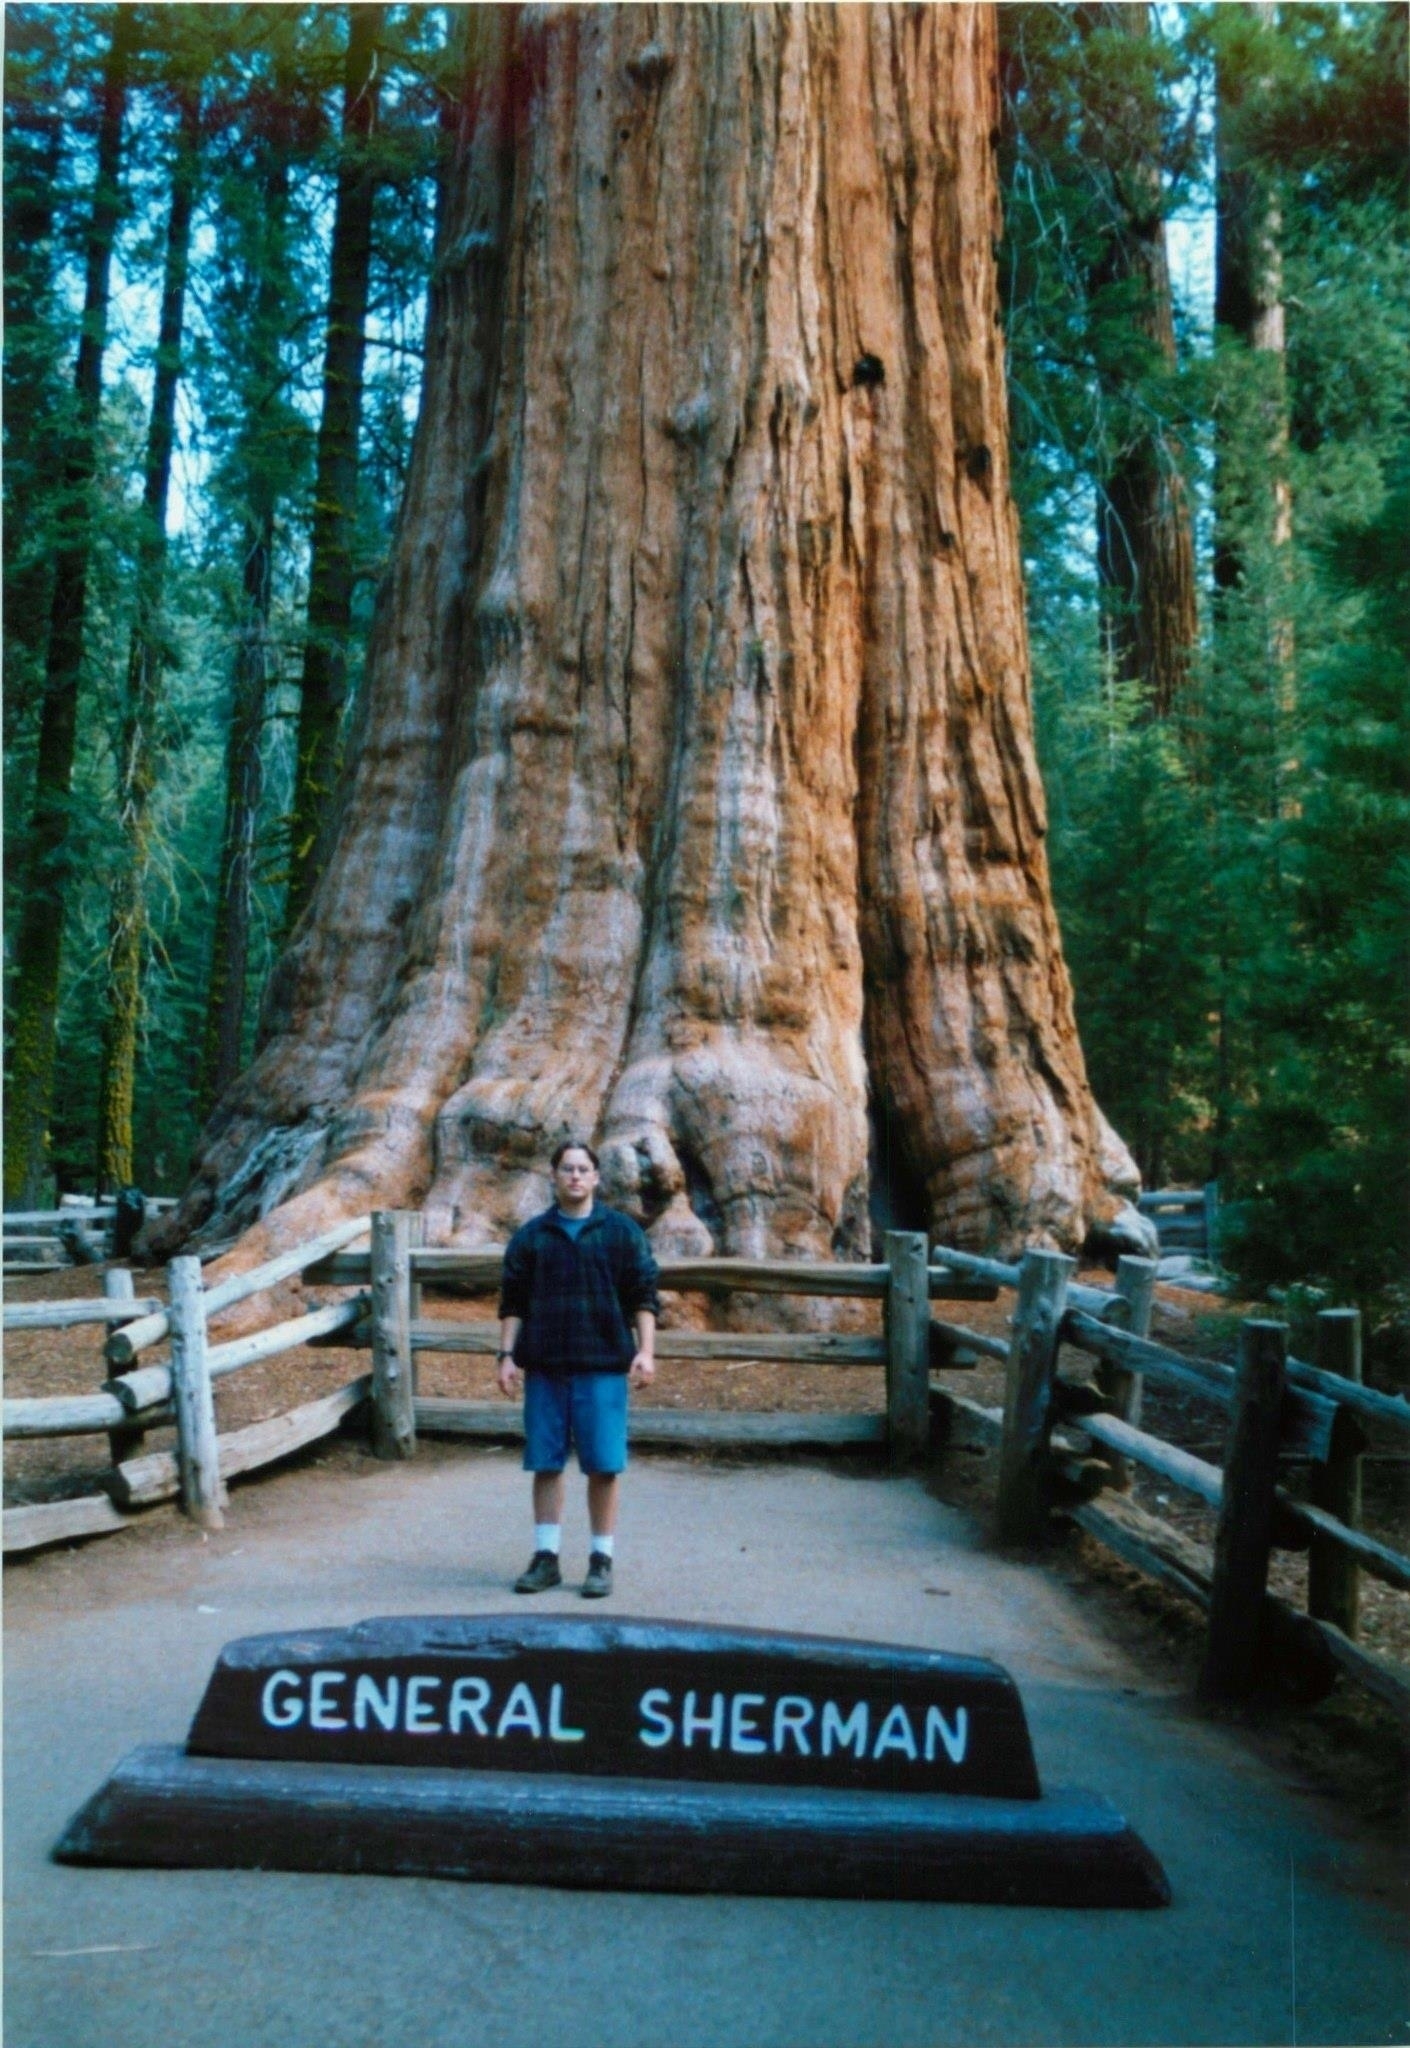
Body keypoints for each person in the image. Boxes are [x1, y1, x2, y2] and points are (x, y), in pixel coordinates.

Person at [496, 1140, 660, 1598]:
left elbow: (644, 1296)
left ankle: (600, 1559)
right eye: (566, 1168)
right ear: (554, 1176)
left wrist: (645, 1351)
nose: (574, 1176)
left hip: (603, 1366)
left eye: (583, 1169)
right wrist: (506, 1355)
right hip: (546, 1367)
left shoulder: (621, 1233)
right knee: (545, 1464)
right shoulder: (532, 1237)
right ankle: (545, 1558)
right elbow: (513, 1303)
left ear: (596, 1177)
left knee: (603, 1467)